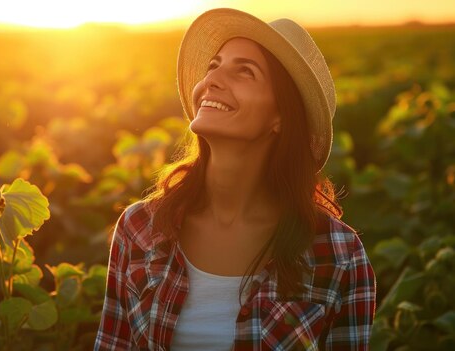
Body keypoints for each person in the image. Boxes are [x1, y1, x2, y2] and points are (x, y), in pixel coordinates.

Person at [94, 8, 376, 351]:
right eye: (214, 65)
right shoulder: (139, 228)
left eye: (245, 72)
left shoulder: (338, 253)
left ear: (281, 117)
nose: (212, 79)